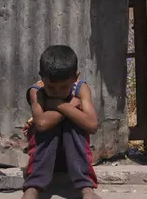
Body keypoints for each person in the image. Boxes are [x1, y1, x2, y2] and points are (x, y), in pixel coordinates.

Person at [22, 45, 100, 199]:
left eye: (64, 87)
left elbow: (92, 125)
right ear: (42, 78)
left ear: (76, 77)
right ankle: (34, 186)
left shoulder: (81, 88)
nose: (57, 92)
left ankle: (86, 188)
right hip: (43, 159)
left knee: (73, 123)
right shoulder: (36, 91)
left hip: (74, 158)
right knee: (54, 124)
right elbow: (42, 124)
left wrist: (57, 106)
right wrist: (70, 106)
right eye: (51, 87)